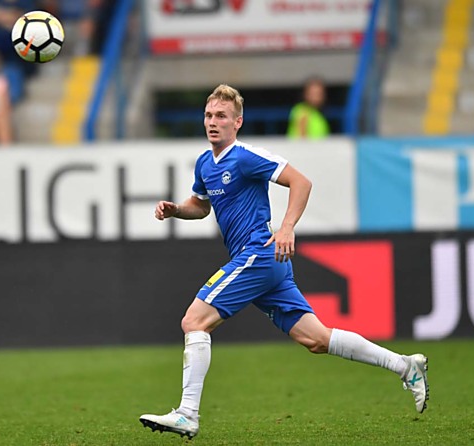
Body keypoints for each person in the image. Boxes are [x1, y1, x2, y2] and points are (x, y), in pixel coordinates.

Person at [139, 84, 429, 439]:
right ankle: (404, 366)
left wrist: (287, 226)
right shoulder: (205, 163)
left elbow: (301, 182)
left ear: (238, 122)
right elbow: (201, 206)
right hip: (264, 264)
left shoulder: (244, 156)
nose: (213, 122)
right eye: (209, 115)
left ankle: (187, 413)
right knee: (317, 339)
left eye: (222, 117)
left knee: (193, 320)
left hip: (259, 253)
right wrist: (176, 210)